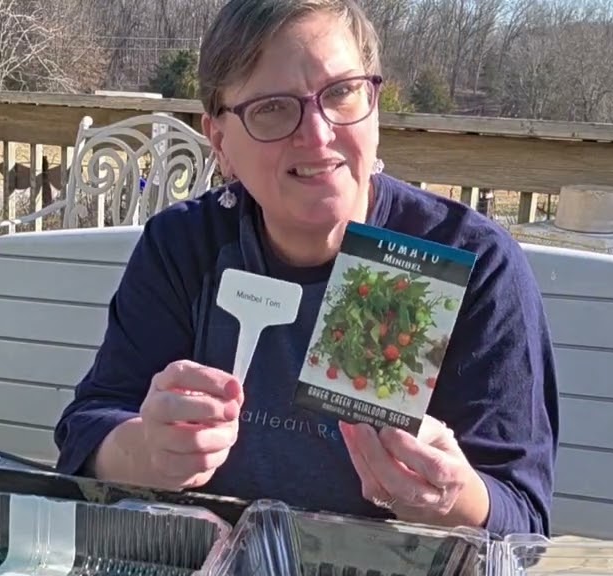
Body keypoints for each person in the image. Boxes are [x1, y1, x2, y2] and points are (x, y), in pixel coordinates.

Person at [53, 0, 559, 537]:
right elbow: (87, 432)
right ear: (220, 141)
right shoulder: (186, 246)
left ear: (375, 104)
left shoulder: (472, 263)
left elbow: (521, 516)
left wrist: (453, 497)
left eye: (341, 92)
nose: (317, 134)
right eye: (273, 107)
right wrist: (146, 452)